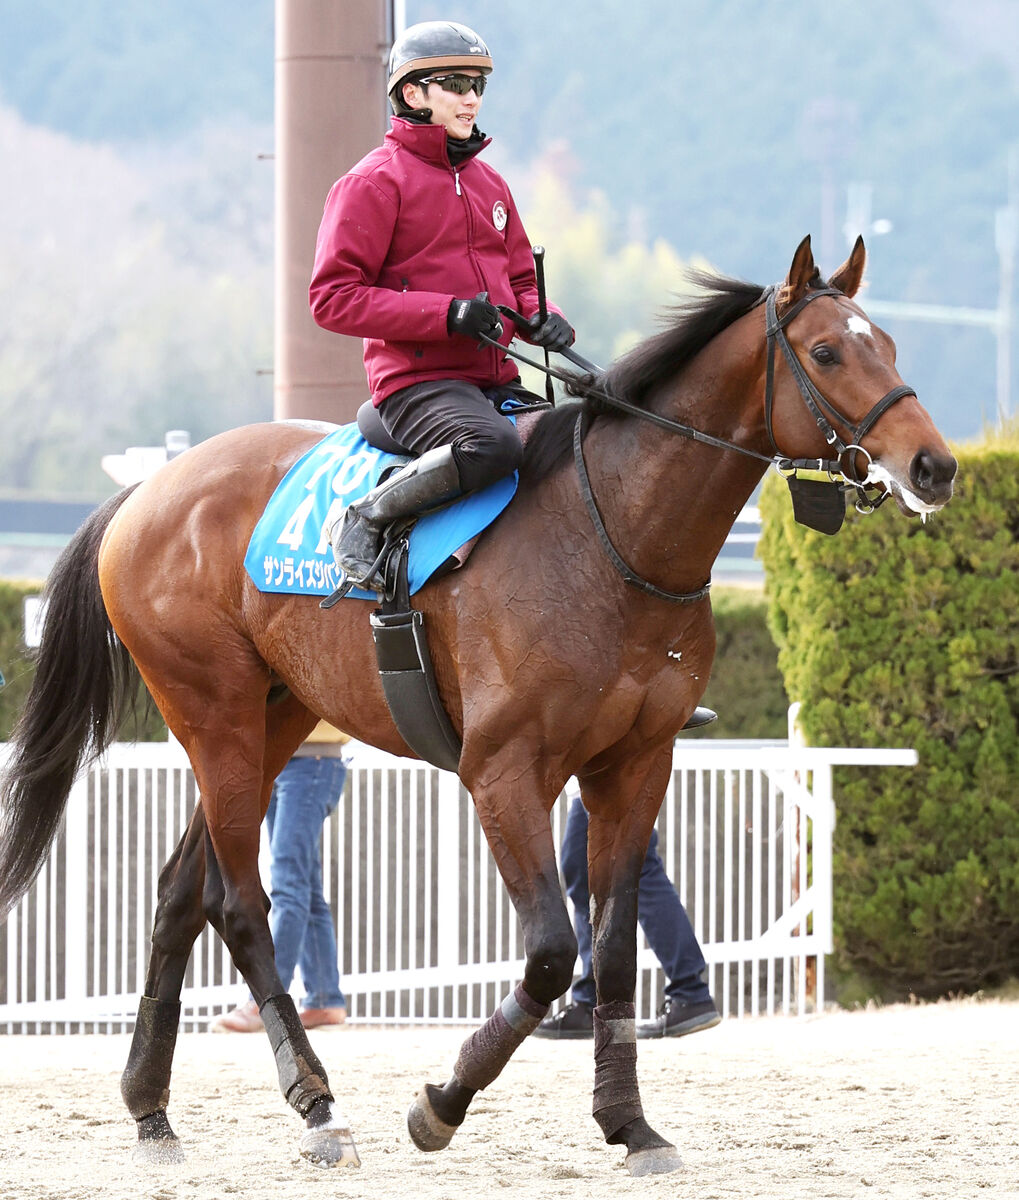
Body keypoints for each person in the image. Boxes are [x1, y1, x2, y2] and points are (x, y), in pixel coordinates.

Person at [309, 20, 574, 593]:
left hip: (493, 379)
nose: (472, 97)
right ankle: (366, 515)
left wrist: (539, 316)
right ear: (413, 94)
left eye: (478, 84)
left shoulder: (490, 184)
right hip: (416, 384)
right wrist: (447, 315)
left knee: (573, 441)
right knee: (493, 446)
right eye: (455, 83)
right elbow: (331, 300)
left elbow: (521, 277)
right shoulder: (372, 183)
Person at [534, 792, 721, 1040]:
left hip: (607, 772)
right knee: (585, 868)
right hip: (600, 775)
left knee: (636, 866)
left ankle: (690, 993)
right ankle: (594, 999)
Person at [212, 723, 350, 1032]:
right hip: (277, 761)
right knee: (305, 886)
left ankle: (266, 1001)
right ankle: (325, 999)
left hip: (312, 763)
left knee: (289, 885)